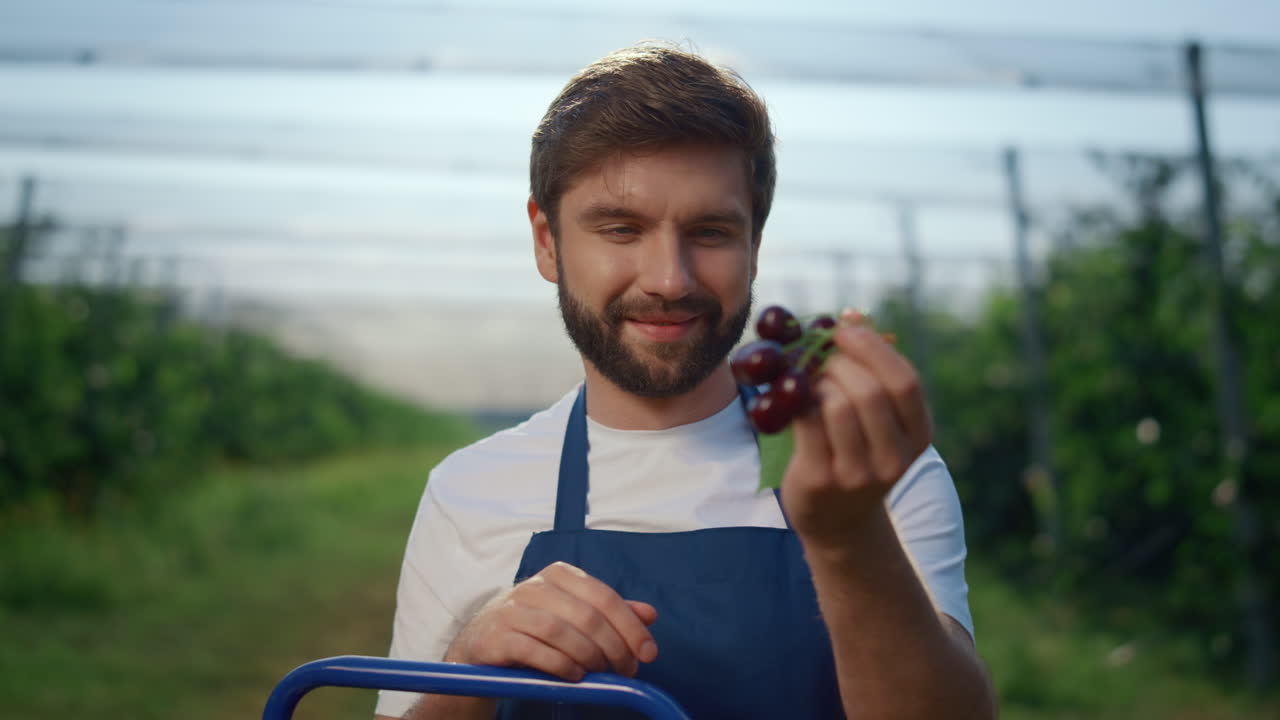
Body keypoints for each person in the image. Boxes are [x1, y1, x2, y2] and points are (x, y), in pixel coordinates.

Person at [374, 42, 996, 720]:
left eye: (710, 232)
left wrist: (847, 538)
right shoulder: (471, 492)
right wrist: (468, 669)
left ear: (753, 245)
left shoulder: (868, 472)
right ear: (547, 241)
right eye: (620, 228)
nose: (670, 279)